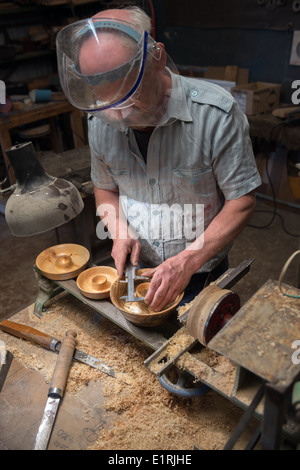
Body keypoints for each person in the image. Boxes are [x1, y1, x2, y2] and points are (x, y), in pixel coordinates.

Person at [56, 6, 261, 312]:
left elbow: (241, 202)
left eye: (131, 97)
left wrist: (187, 262)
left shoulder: (216, 114)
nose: (120, 115)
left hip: (199, 270)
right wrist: (119, 231)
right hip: (137, 271)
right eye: (108, 103)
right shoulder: (101, 118)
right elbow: (106, 189)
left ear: (157, 57)